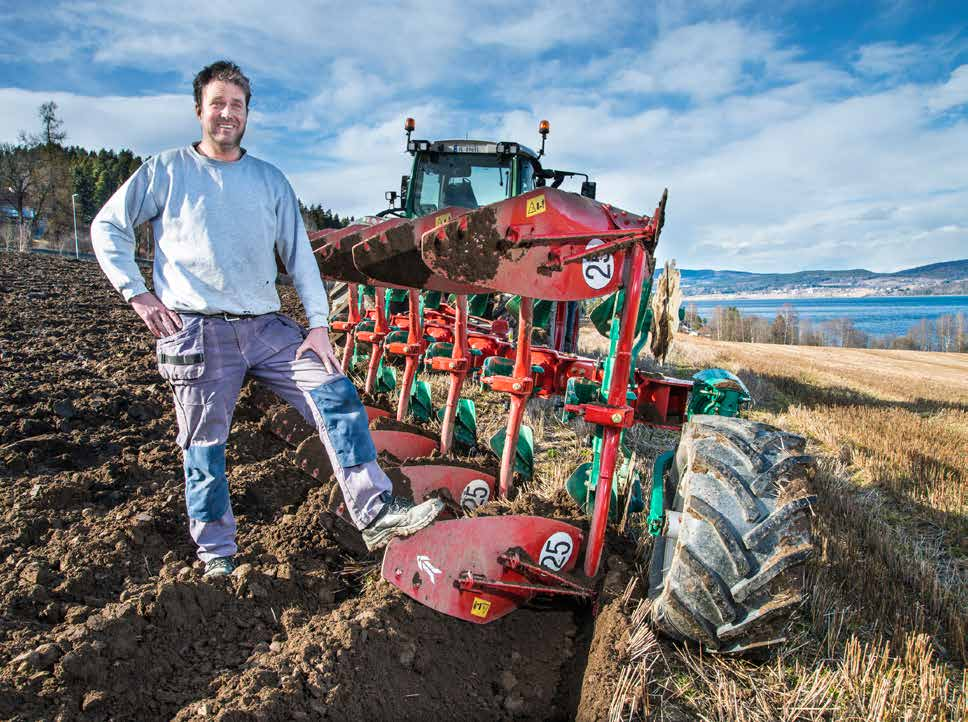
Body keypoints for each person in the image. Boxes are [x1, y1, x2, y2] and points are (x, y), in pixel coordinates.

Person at [91, 60, 443, 578]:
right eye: (217, 104)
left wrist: (319, 324)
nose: (226, 113)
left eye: (236, 105)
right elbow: (107, 227)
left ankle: (374, 512)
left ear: (247, 113)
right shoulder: (166, 170)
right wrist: (138, 294)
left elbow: (300, 257)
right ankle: (216, 555)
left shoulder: (269, 181)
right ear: (199, 111)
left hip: (267, 328)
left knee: (334, 392)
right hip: (197, 331)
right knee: (204, 446)